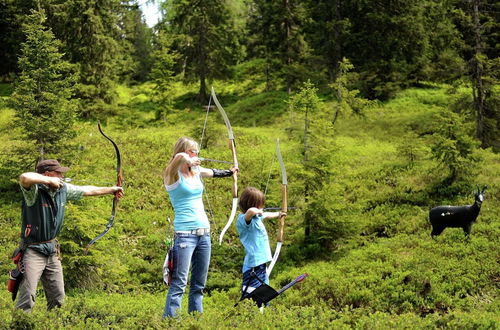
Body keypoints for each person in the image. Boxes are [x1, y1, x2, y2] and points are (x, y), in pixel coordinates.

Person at [15, 159, 124, 313]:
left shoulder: (62, 189)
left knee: (58, 298)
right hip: (32, 250)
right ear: (47, 174)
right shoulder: (33, 191)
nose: (61, 175)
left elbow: (87, 190)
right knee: (27, 298)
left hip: (52, 251)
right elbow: (24, 177)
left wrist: (112, 189)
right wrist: (48, 181)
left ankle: (54, 324)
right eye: (58, 172)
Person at [163, 137, 238, 318]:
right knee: (179, 284)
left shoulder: (196, 172)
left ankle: (196, 322)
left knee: (199, 285)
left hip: (204, 234)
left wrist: (230, 172)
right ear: (183, 151)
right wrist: (186, 158)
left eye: (196, 151)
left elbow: (213, 172)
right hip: (184, 236)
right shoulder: (172, 175)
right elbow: (178, 158)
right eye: (192, 151)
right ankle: (171, 323)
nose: (196, 154)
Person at [236, 187, 285, 297]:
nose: (262, 207)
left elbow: (266, 214)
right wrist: (258, 210)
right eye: (260, 204)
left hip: (261, 264)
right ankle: (248, 312)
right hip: (253, 265)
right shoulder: (243, 220)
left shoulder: (257, 218)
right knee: (251, 295)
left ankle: (262, 312)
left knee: (264, 294)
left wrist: (279, 214)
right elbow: (250, 212)